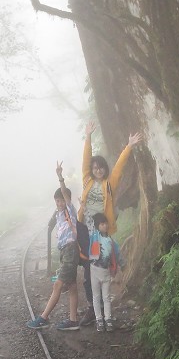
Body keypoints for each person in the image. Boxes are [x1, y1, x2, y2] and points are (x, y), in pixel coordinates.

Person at [77, 120, 143, 326]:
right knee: (88, 270)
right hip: (84, 230)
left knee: (102, 266)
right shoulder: (87, 181)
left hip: (100, 232)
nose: (98, 170)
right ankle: (92, 308)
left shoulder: (109, 184)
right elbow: (86, 158)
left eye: (101, 168)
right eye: (95, 168)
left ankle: (104, 308)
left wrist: (129, 146)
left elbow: (118, 169)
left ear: (104, 169)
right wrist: (87, 136)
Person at [26, 161, 80, 331]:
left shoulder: (70, 210)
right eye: (57, 200)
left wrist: (60, 176)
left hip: (71, 251)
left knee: (58, 285)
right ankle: (73, 321)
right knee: (71, 286)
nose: (59, 203)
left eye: (61, 200)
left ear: (66, 200)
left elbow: (64, 191)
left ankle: (43, 317)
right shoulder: (58, 214)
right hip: (65, 252)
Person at [89, 212, 125, 332]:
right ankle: (99, 319)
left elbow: (118, 254)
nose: (105, 226)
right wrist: (84, 209)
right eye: (102, 224)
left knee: (106, 297)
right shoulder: (94, 236)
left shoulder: (111, 241)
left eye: (106, 224)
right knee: (96, 296)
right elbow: (89, 221)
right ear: (97, 226)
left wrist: (122, 264)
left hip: (106, 272)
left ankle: (108, 319)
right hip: (94, 270)